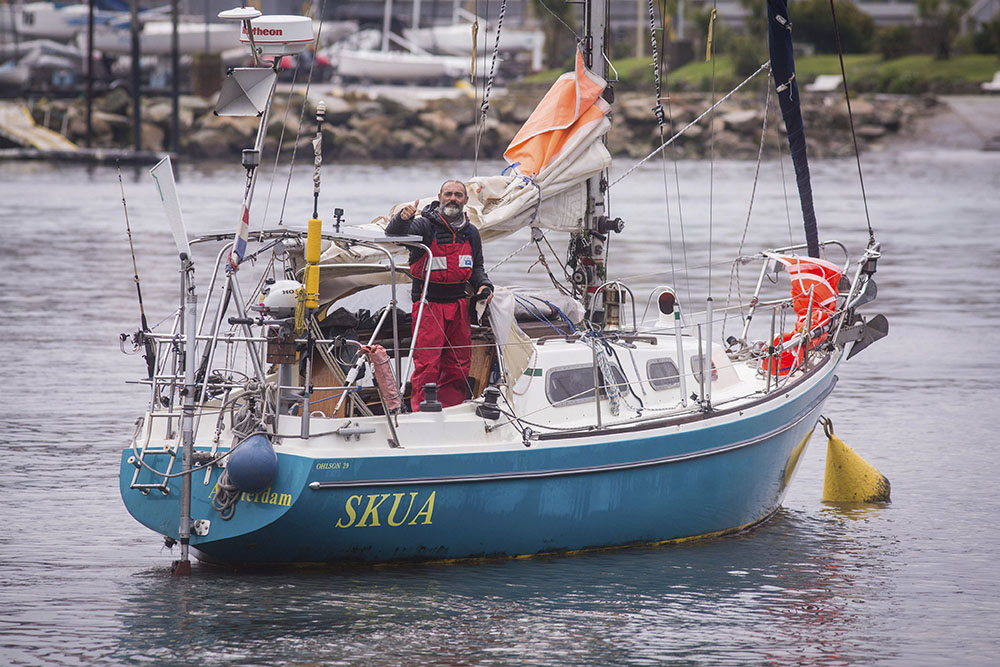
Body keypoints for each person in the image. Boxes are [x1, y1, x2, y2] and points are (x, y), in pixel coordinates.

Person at [386, 180, 493, 411]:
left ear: (465, 200)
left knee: (458, 364)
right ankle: (422, 411)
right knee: (427, 364)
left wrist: (484, 285)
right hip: (428, 304)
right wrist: (402, 218)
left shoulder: (471, 232)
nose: (452, 198)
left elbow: (477, 268)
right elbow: (394, 236)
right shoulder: (424, 226)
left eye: (457, 195)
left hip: (459, 306)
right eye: (448, 194)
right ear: (439, 197)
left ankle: (451, 409)